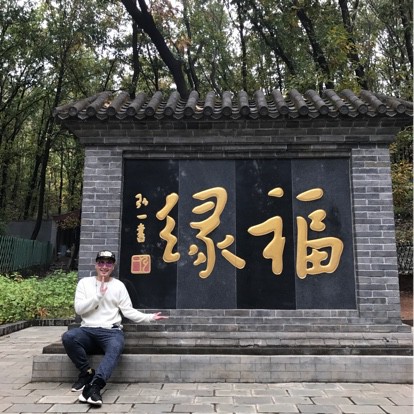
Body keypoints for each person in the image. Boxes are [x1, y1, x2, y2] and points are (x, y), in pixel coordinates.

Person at [62, 250, 168, 406]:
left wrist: (150, 317)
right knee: (69, 337)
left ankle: (95, 386)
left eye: (108, 263)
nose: (104, 266)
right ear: (96, 264)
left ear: (113, 266)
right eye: (101, 263)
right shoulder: (84, 283)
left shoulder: (119, 286)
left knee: (116, 346)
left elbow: (128, 311)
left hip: (111, 332)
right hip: (87, 331)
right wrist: (98, 296)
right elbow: (79, 309)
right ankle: (86, 373)